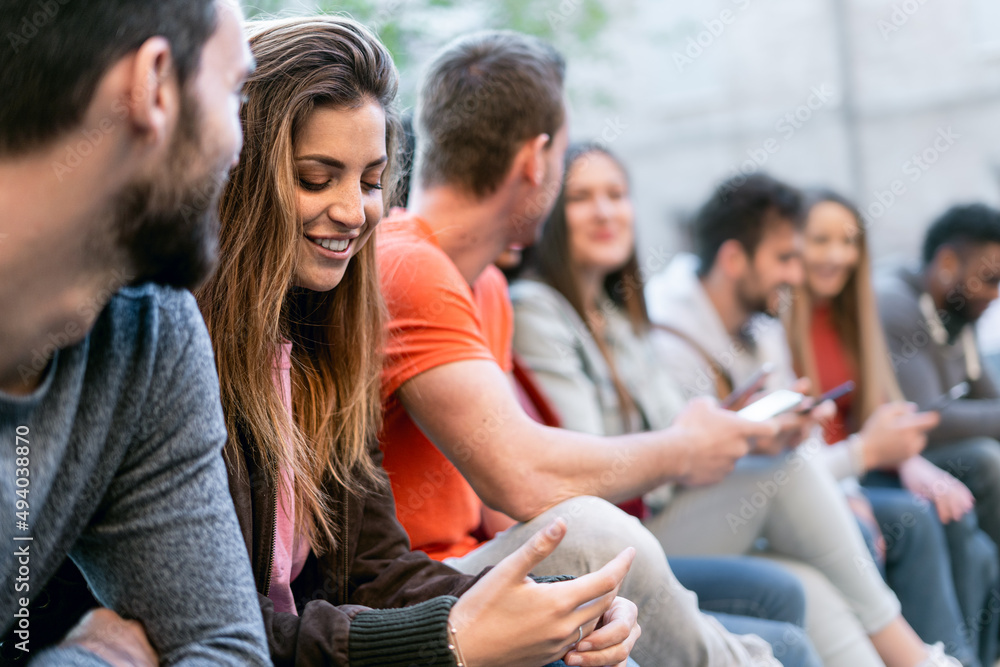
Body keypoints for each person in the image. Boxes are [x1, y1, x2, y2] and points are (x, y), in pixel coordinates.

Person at [195, 16, 641, 667]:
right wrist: (447, 638)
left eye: (370, 180)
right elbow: (209, 629)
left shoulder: (325, 341)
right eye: (317, 178)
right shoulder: (181, 350)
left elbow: (375, 570)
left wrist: (562, 604)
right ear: (239, 176)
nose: (354, 210)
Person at [378, 28, 794, 667]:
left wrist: (606, 599)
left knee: (783, 619)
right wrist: (685, 449)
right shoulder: (407, 264)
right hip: (418, 597)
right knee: (597, 532)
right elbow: (522, 476)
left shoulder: (484, 284)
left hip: (479, 567)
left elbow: (502, 506)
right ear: (536, 161)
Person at [513, 148, 955, 667]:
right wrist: (716, 441)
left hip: (667, 506)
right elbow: (593, 465)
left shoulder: (618, 313)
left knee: (810, 581)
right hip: (620, 531)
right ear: (546, 208)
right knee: (789, 475)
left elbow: (669, 433)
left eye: (616, 195)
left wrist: (730, 433)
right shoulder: (539, 310)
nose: (605, 211)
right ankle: (916, 658)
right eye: (582, 198)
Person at [0, 1, 271, 664]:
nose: (240, 145)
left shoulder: (145, 331)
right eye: (235, 91)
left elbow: (227, 648)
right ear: (153, 85)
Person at [784, 190, 999, 667]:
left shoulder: (852, 315)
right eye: (821, 240)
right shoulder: (781, 323)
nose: (837, 255)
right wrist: (854, 481)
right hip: (826, 476)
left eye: (848, 241)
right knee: (928, 509)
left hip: (861, 467)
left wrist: (911, 462)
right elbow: (923, 415)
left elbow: (887, 412)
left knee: (950, 508)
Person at [876, 204, 1000, 579]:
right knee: (985, 458)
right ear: (947, 263)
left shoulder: (959, 311)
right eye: (991, 278)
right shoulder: (895, 302)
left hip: (933, 456)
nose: (995, 294)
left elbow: (988, 398)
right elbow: (928, 417)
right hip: (894, 463)